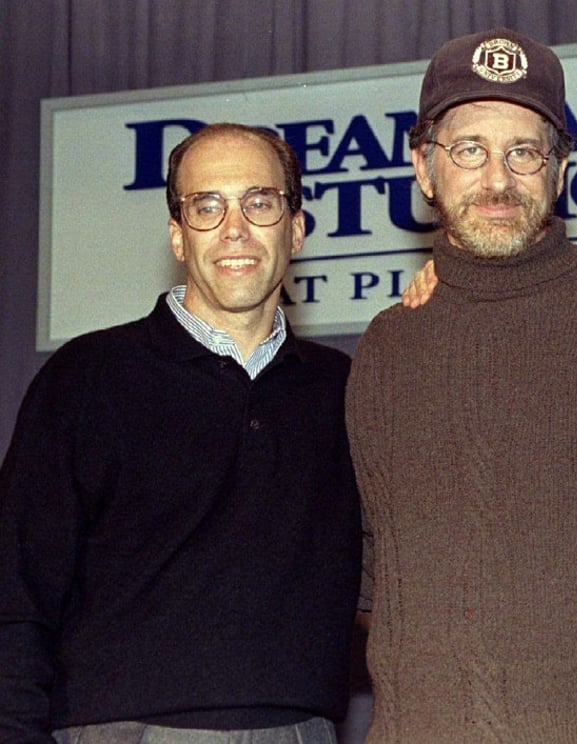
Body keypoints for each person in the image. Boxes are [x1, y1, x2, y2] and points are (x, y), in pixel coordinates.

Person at [345, 28, 577, 742]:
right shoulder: (389, 344)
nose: (497, 180)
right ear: (424, 168)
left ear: (559, 169)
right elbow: (375, 573)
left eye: (524, 151)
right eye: (469, 150)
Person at [0, 123, 363, 744]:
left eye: (260, 201)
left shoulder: (348, 390)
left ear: (296, 228)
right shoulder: (87, 379)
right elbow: (15, 594)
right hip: (119, 730)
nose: (234, 228)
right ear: (177, 236)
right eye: (207, 206)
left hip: (298, 731)